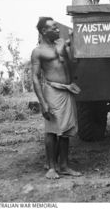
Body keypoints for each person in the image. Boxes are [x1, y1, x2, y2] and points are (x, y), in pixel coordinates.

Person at [31, 17, 82, 179]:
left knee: (65, 130)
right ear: (44, 31)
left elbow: (73, 67)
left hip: (67, 90)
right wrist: (43, 102)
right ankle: (51, 168)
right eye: (53, 28)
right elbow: (35, 77)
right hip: (52, 91)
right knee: (52, 130)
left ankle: (64, 166)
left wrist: (66, 50)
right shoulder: (38, 51)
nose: (58, 29)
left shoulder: (61, 44)